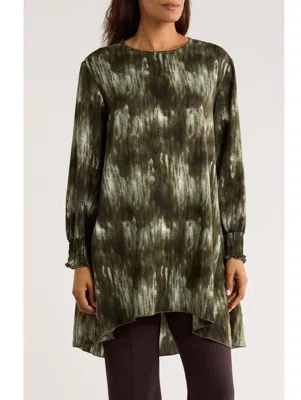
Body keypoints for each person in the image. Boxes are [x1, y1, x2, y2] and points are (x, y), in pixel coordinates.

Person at [64, 1, 249, 399]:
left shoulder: (213, 63)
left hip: (198, 252)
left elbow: (229, 161)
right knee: (134, 393)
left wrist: (234, 248)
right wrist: (80, 258)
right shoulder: (102, 68)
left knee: (216, 390)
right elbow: (85, 167)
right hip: (124, 256)